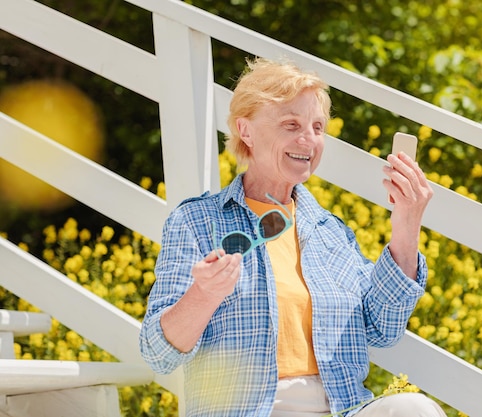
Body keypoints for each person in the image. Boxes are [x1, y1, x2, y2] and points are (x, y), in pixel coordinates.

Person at [139, 57, 443, 417]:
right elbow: (158, 353)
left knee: (414, 409)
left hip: (341, 409)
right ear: (246, 131)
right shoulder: (197, 221)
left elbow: (382, 328)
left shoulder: (330, 232)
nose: (308, 139)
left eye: (317, 126)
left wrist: (406, 224)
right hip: (247, 411)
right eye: (291, 124)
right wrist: (203, 295)